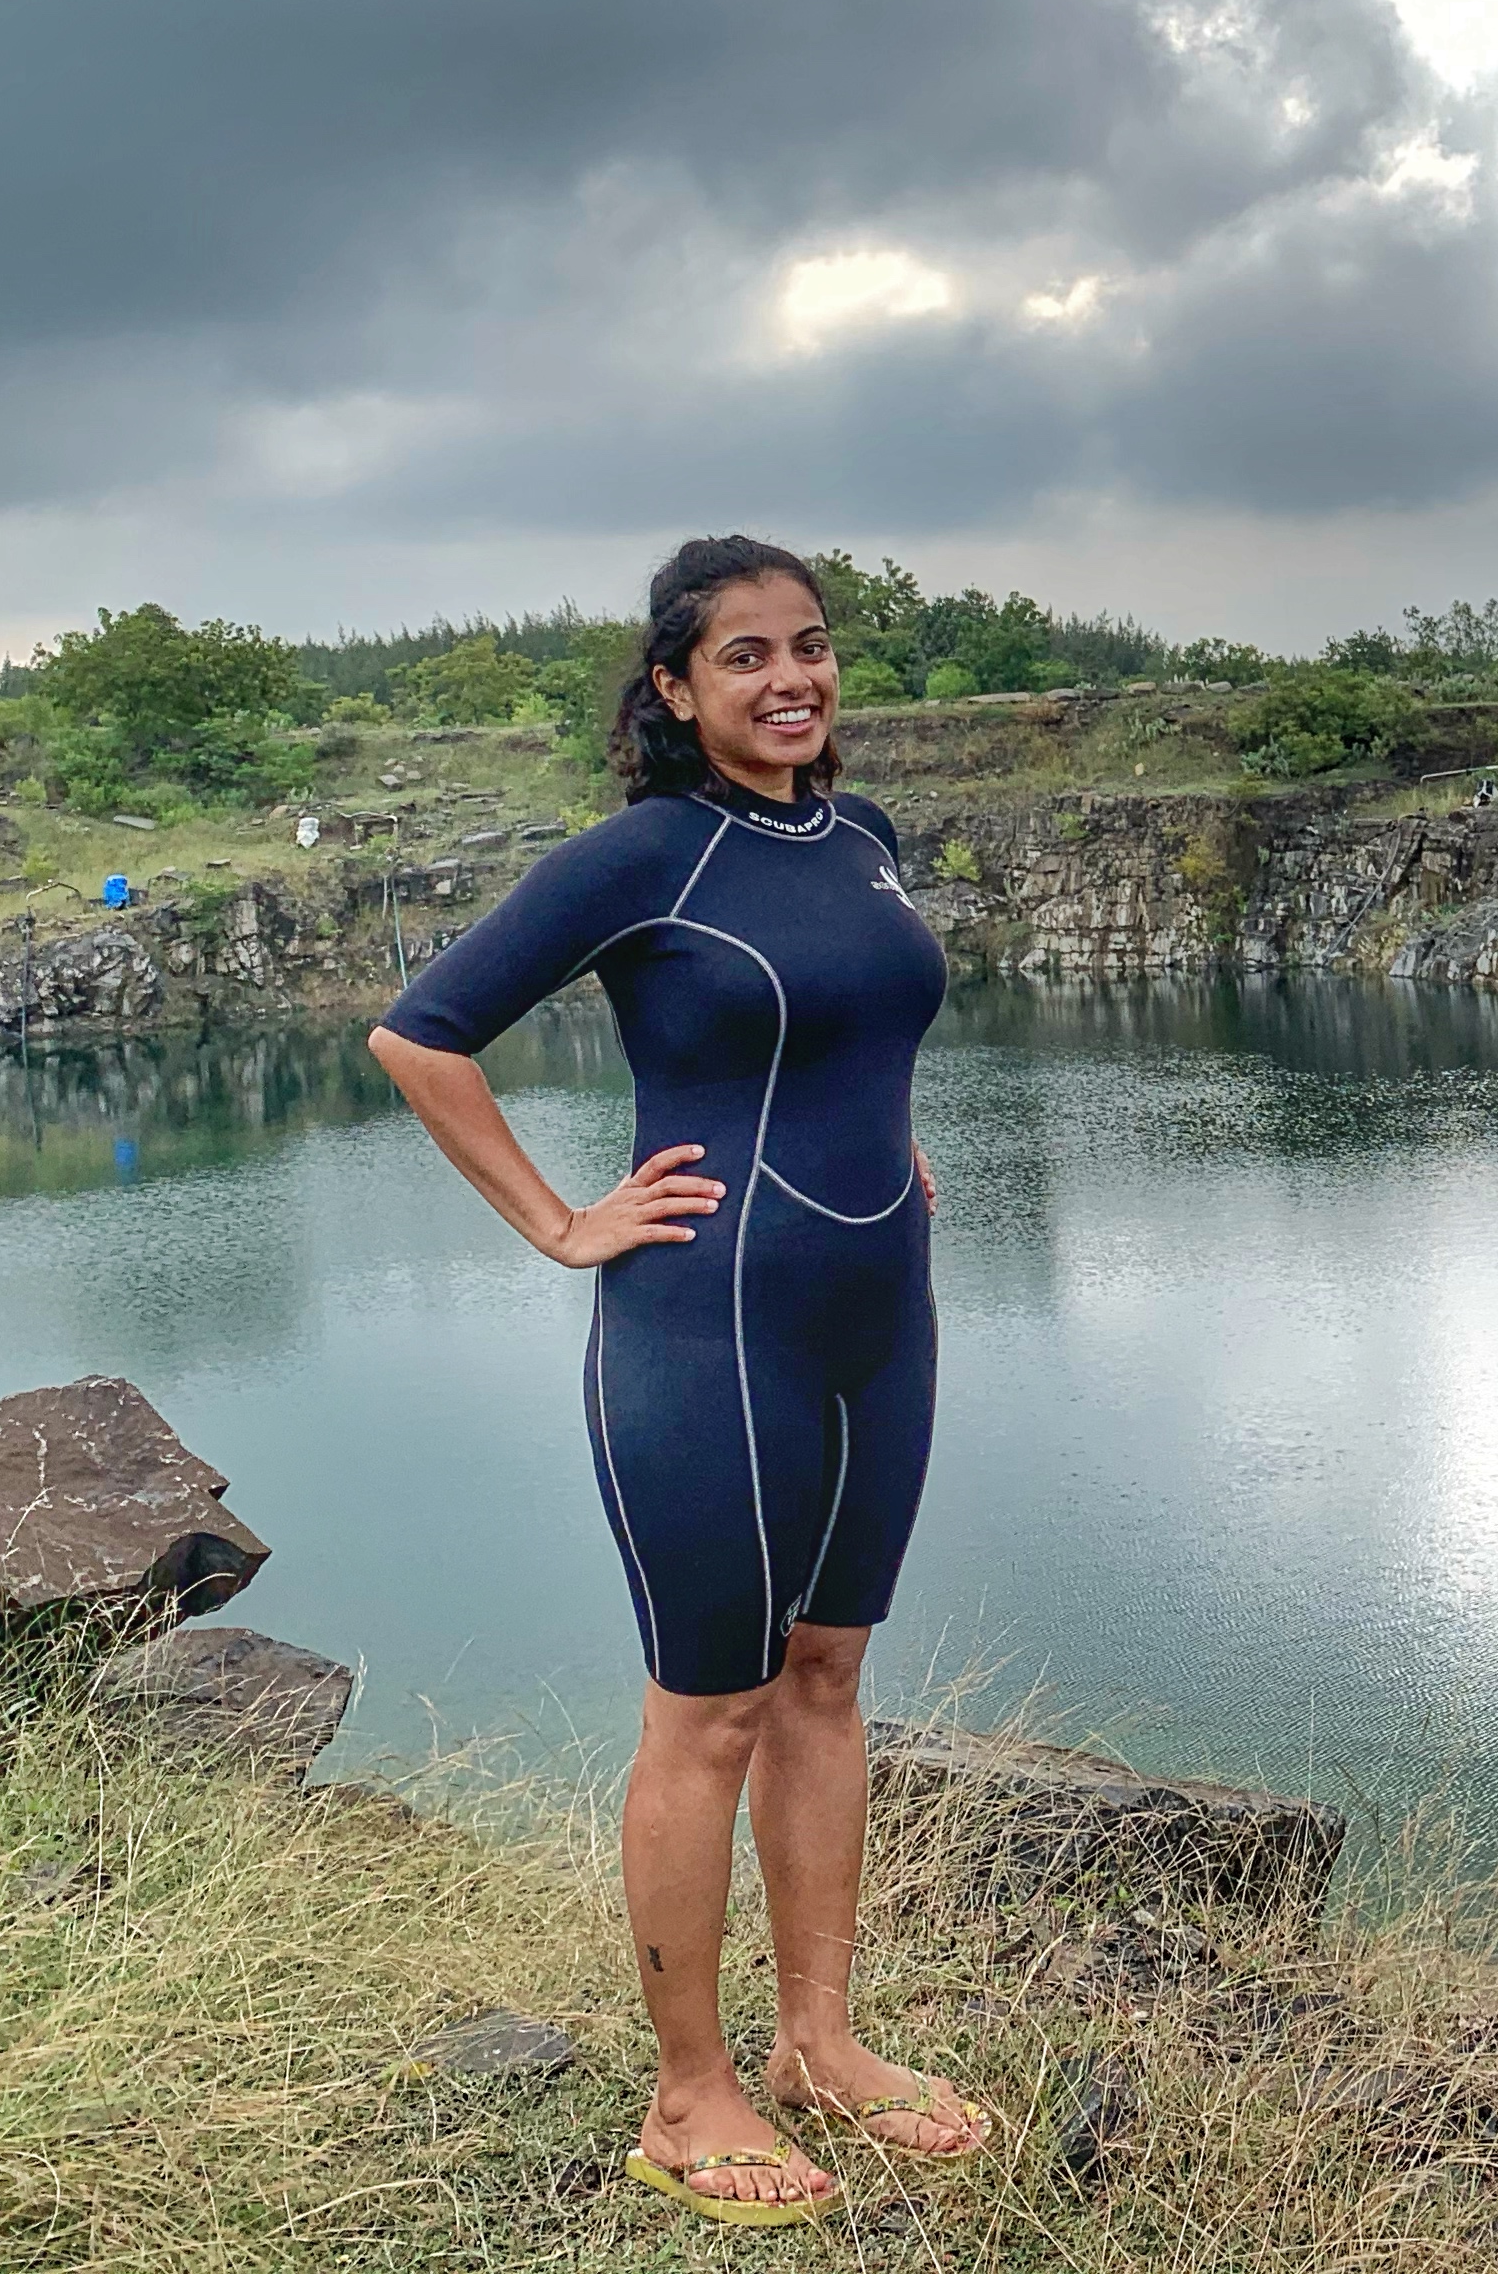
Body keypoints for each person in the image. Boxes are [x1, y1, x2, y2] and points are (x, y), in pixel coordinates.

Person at [368, 535, 987, 2225]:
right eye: (744, 658)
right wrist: (564, 1224)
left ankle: (820, 2047)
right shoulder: (643, 857)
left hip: (882, 1313)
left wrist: (897, 1151)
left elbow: (853, 1037)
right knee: (707, 1711)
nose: (792, 679)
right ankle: (688, 2091)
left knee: (831, 1676)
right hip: (706, 1327)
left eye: (812, 647)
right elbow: (420, 1040)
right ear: (673, 685)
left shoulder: (858, 838)